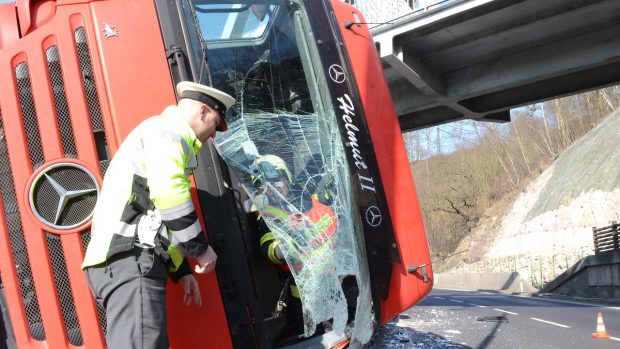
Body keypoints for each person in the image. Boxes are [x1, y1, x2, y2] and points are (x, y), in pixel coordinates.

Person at [81, 81, 235, 349]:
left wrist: (181, 270)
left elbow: (154, 214)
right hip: (131, 260)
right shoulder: (169, 132)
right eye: (216, 124)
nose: (212, 136)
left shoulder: (160, 133)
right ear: (202, 111)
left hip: (127, 262)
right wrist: (200, 249)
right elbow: (169, 195)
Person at [252, 154, 338, 343]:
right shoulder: (270, 216)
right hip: (307, 297)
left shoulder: (307, 194)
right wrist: (284, 249)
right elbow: (268, 247)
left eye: (274, 181)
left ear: (286, 177)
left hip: (337, 276)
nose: (270, 189)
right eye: (263, 185)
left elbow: (329, 211)